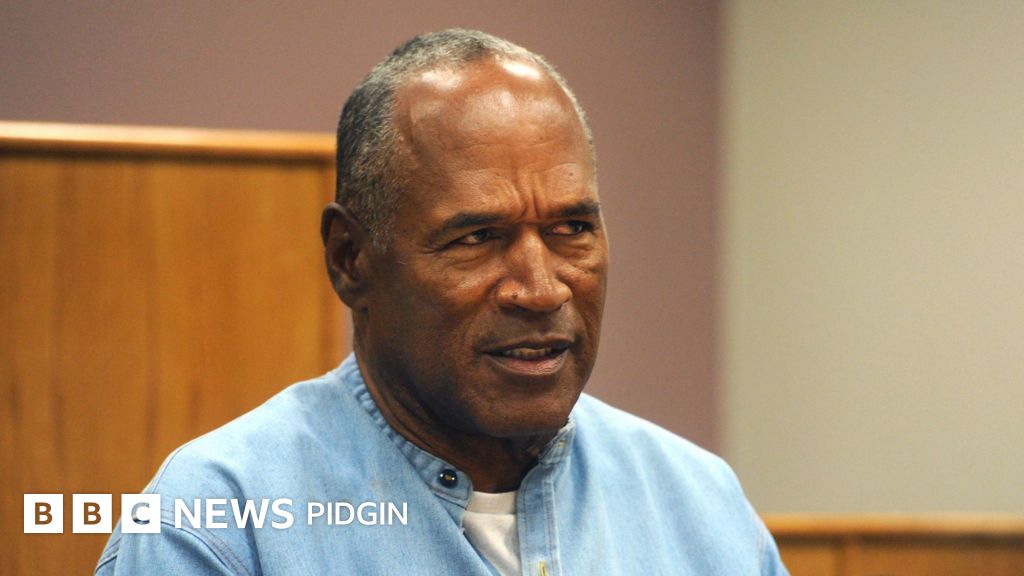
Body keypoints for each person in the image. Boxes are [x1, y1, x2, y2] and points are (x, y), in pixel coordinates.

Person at [96, 29, 788, 575]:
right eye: (478, 238)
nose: (541, 289)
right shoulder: (219, 524)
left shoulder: (700, 508)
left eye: (572, 229)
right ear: (351, 259)